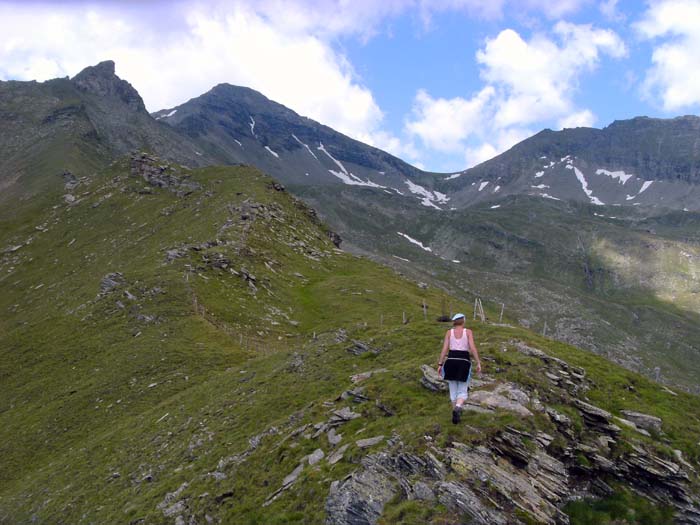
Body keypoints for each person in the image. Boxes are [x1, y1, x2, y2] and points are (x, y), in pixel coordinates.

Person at [437, 313, 482, 424]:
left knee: (453, 390)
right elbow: (472, 347)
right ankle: (458, 408)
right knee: (462, 390)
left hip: (451, 361)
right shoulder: (468, 332)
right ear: (463, 321)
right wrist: (478, 362)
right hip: (464, 361)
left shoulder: (449, 333)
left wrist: (440, 364)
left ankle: (455, 416)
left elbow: (444, 349)